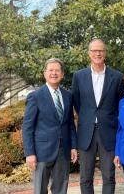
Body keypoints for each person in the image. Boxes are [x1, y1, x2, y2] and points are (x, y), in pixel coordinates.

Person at [71, 38, 124, 194]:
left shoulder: (117, 77)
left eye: (100, 50)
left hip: (108, 131)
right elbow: (77, 103)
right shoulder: (78, 76)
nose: (97, 53)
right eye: (94, 51)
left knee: (109, 175)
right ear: (89, 54)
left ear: (105, 53)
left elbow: (119, 104)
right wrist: (88, 117)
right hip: (86, 131)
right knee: (85, 177)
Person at [23, 58, 78, 194]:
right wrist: (29, 153)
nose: (54, 73)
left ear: (62, 74)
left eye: (57, 70)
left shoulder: (67, 96)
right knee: (40, 189)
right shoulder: (35, 96)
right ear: (45, 73)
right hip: (41, 151)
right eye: (51, 70)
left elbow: (70, 123)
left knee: (60, 189)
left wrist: (73, 146)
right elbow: (27, 127)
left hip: (63, 150)